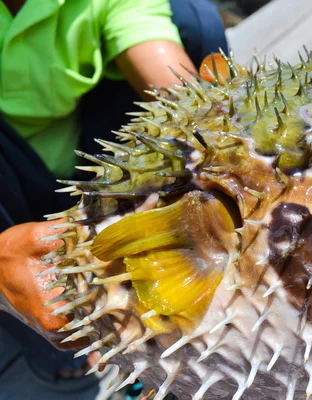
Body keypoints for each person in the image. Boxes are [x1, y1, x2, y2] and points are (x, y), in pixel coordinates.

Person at [0, 0, 228, 393]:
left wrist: (214, 136)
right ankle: (56, 341)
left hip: (88, 137)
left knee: (194, 21)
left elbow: (154, 50)